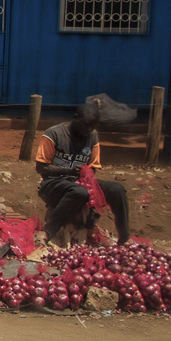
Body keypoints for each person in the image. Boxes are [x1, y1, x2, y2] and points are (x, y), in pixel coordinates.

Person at [34, 103, 130, 246]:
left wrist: (89, 184)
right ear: (76, 118)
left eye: (93, 126)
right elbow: (41, 167)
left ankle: (124, 237)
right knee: (79, 191)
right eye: (86, 125)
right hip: (53, 185)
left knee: (117, 189)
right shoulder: (53, 134)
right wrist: (69, 171)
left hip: (79, 183)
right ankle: (47, 232)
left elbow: (93, 168)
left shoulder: (92, 136)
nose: (89, 129)